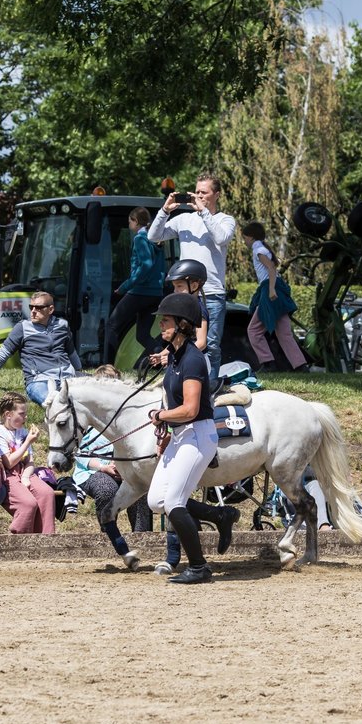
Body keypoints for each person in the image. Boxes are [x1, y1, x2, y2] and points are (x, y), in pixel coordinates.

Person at [146, 293, 238, 584]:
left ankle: (199, 567)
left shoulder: (193, 360)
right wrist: (164, 425)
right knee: (156, 500)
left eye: (167, 320)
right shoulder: (173, 356)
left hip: (198, 435)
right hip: (181, 434)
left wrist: (162, 416)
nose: (161, 324)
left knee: (174, 502)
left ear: (183, 325)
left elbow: (190, 409)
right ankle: (220, 516)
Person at [147, 173, 237, 380]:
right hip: (186, 294)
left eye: (204, 193)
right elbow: (153, 236)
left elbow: (221, 238)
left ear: (217, 195)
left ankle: (210, 385)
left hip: (212, 292)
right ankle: (178, 379)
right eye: (196, 192)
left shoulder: (225, 220)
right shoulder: (184, 220)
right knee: (179, 339)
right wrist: (164, 210)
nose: (199, 196)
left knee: (211, 344)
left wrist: (204, 212)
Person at [73, 364, 154, 571]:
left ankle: (142, 540)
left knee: (143, 490)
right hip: (94, 469)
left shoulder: (122, 418)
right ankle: (109, 536)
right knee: (106, 489)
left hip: (122, 467)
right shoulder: (87, 417)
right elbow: (79, 455)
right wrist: (103, 466)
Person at [0, 291, 81, 406]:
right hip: (40, 381)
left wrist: (79, 373)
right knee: (54, 404)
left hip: (68, 378)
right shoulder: (22, 328)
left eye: (38, 308)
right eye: (31, 307)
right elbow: (1, 356)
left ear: (50, 310)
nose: (33, 311)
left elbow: (72, 353)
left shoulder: (62, 325)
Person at [242, 220, 306, 373]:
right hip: (275, 287)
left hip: (269, 289)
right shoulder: (262, 247)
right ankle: (301, 366)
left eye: (244, 238)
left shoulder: (258, 249)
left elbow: (271, 268)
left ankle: (268, 363)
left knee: (254, 330)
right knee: (284, 333)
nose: (244, 241)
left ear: (251, 237)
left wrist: (271, 290)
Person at [0, 392, 57, 535]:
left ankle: (47, 538)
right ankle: (20, 540)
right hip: (7, 475)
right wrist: (28, 442)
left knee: (47, 493)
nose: (25, 417)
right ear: (8, 414)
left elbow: (30, 461)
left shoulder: (23, 431)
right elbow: (8, 463)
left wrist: (26, 477)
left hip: (24, 472)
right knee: (28, 503)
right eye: (21, 414)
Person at [105, 207, 165, 362]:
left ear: (136, 222)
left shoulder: (140, 239)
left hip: (140, 291)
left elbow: (146, 265)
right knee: (142, 335)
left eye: (129, 221)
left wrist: (125, 286)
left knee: (112, 325)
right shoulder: (155, 238)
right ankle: (166, 358)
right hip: (155, 293)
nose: (129, 225)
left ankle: (106, 366)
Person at [147, 259, 209, 369]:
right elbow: (177, 341)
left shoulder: (199, 310)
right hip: (183, 357)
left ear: (194, 286)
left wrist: (176, 355)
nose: (175, 291)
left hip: (195, 362)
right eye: (174, 286)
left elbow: (201, 342)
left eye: (179, 286)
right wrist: (161, 355)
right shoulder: (182, 309)